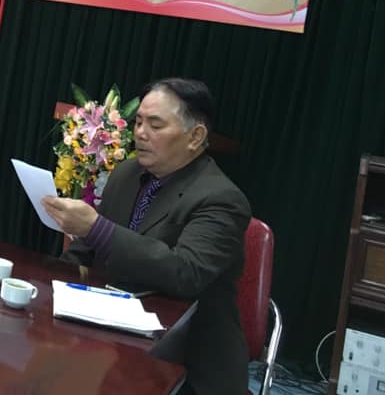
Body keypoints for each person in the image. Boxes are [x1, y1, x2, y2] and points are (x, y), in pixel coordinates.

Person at [41, 78, 250, 395]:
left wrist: (96, 228)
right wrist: (52, 289)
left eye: (155, 125)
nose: (140, 133)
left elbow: (185, 273)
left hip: (186, 358)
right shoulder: (127, 173)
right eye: (138, 122)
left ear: (195, 137)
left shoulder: (222, 199)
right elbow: (85, 249)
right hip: (114, 336)